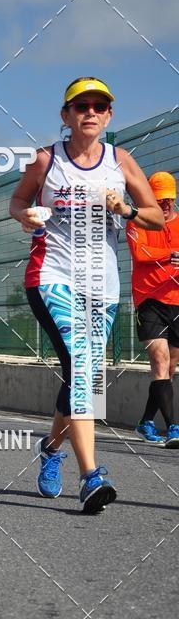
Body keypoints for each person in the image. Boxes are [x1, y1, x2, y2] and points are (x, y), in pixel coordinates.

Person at [10, 77, 163, 513]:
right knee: (83, 368)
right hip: (52, 275)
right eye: (81, 106)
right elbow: (16, 201)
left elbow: (153, 216)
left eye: (99, 106)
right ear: (66, 116)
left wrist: (126, 209)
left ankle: (51, 448)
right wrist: (27, 215)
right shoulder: (46, 160)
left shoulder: (122, 161)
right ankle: (91, 476)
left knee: (87, 379)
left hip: (103, 285)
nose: (90, 112)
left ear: (109, 115)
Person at [127, 171, 179, 448]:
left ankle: (146, 421)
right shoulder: (137, 221)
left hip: (177, 302)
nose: (166, 204)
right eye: (160, 199)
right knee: (159, 362)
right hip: (148, 301)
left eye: (169, 198)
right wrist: (171, 256)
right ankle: (174, 427)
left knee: (169, 368)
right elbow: (140, 253)